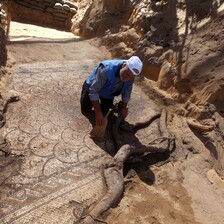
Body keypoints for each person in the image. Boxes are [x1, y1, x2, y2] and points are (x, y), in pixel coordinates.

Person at [80, 56, 143, 126]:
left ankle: (111, 106)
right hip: (92, 87)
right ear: (124, 66)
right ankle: (97, 103)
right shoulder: (106, 69)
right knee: (85, 109)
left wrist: (124, 107)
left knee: (106, 113)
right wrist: (98, 112)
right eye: (127, 74)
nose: (127, 78)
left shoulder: (131, 75)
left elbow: (127, 91)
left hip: (108, 93)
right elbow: (94, 91)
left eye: (131, 77)